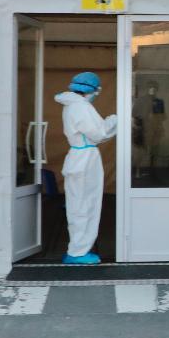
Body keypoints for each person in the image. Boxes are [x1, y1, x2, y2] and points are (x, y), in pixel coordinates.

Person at [55, 72, 117, 265]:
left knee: (78, 205)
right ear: (91, 90)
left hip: (79, 157)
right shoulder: (81, 107)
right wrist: (115, 119)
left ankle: (76, 249)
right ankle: (78, 253)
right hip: (85, 160)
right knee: (85, 206)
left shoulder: (72, 105)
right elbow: (99, 133)